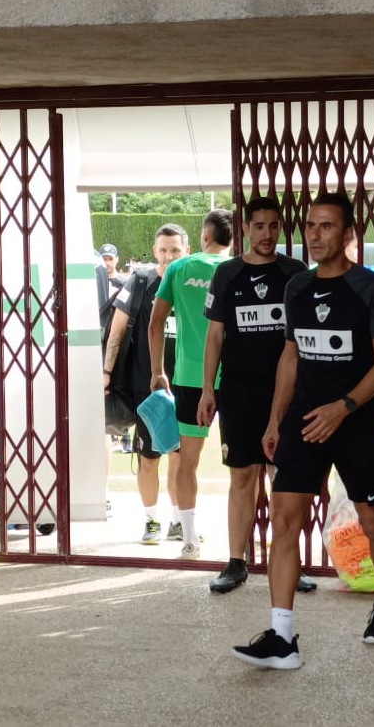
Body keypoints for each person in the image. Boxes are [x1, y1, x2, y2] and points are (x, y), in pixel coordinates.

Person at [232, 191, 374, 670]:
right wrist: (274, 420)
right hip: (304, 423)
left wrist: (343, 407)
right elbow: (291, 356)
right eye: (309, 225)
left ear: (348, 234)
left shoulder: (371, 288)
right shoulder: (296, 288)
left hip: (355, 424)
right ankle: (282, 637)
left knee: (371, 523)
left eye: (327, 226)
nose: (315, 234)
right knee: (284, 522)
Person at [197, 196, 316, 594]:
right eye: (259, 226)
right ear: (245, 229)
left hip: (287, 395)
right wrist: (207, 390)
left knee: (283, 478)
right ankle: (236, 563)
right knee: (243, 476)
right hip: (239, 393)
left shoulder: (295, 272)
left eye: (273, 226)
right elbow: (215, 336)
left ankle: (288, 563)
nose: (267, 234)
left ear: (280, 228)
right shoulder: (227, 274)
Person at [149, 209, 232, 560]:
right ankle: (261, 535)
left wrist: (158, 371)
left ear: (204, 236)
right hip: (234, 378)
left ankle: (189, 538)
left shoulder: (179, 269)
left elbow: (155, 325)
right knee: (248, 464)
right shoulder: (236, 269)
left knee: (187, 462)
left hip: (188, 378)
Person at [103, 225, 189, 544]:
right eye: (163, 250)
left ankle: (179, 520)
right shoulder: (140, 281)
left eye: (175, 251)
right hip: (146, 388)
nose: (168, 256)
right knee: (149, 458)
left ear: (186, 252)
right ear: (155, 251)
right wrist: (107, 372)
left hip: (185, 386)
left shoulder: (192, 283)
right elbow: (117, 331)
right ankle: (152, 520)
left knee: (181, 459)